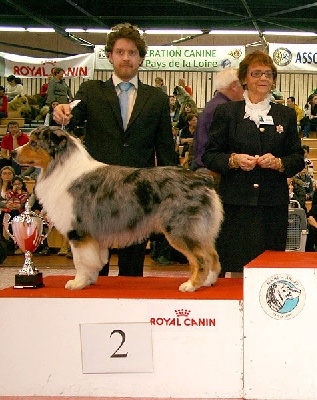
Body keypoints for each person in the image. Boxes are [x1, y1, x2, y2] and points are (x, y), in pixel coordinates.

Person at [53, 22, 176, 277]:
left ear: (141, 58)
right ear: (110, 55)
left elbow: (165, 148)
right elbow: (72, 115)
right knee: (95, 263)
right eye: (120, 52)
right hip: (97, 192)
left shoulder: (157, 98)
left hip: (139, 192)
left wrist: (169, 190)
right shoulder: (90, 90)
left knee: (133, 269)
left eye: (132, 53)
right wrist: (60, 112)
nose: (126, 58)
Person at [202, 50, 305, 276]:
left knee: (269, 272)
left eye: (268, 74)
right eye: (256, 73)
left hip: (272, 207)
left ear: (274, 80)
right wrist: (233, 160)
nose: (263, 79)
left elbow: (297, 158)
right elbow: (210, 155)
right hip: (236, 206)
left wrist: (279, 163)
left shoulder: (285, 115)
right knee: (236, 268)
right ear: (244, 79)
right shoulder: (227, 112)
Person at [193, 68, 244, 172]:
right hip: (214, 170)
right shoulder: (224, 109)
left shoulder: (214, 105)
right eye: (244, 86)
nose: (246, 90)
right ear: (234, 86)